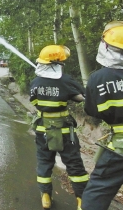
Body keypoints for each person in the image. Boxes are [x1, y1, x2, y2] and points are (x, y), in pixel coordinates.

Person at [29, 45, 88, 210]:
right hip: (65, 132)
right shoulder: (66, 80)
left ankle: (46, 197)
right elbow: (82, 96)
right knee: (74, 164)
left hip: (43, 131)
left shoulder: (35, 82)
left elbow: (34, 102)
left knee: (44, 162)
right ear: (57, 63)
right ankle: (81, 201)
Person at [81, 21, 123, 210]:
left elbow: (92, 113)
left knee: (97, 192)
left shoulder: (98, 79)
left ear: (106, 46)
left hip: (118, 149)